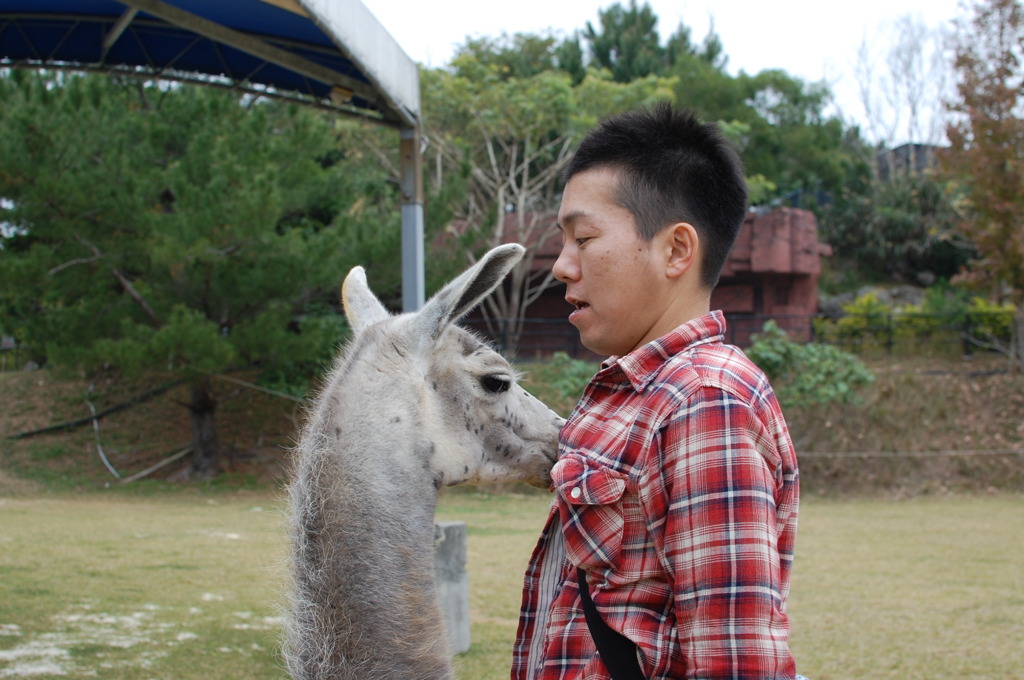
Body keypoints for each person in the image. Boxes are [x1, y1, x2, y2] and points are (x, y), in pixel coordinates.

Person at [512, 103, 801, 680]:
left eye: (584, 238)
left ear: (675, 250)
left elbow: (734, 661)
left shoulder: (704, 400)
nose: (562, 267)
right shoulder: (641, 392)